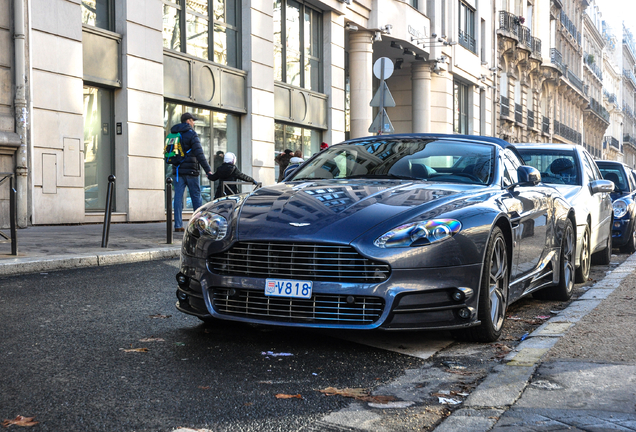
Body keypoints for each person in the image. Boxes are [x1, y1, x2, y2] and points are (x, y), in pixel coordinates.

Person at [170, 112, 213, 232]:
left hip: (178, 171)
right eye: (192, 120)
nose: (193, 123)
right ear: (188, 121)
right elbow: (199, 154)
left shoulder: (174, 134)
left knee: (178, 197)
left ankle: (178, 225)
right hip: (191, 171)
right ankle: (198, 225)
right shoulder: (192, 134)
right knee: (196, 197)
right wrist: (208, 170)